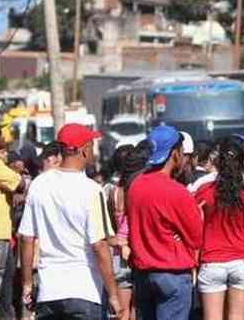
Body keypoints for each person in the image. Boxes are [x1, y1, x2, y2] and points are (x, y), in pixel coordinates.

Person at [18, 124, 123, 320]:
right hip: (85, 291)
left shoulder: (39, 185)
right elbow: (99, 245)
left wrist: (27, 284)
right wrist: (114, 295)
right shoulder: (91, 190)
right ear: (84, 150)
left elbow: (26, 238)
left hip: (49, 292)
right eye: (91, 145)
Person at [127, 126, 203, 320]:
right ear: (175, 154)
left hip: (143, 275)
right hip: (173, 275)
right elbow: (196, 238)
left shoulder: (135, 185)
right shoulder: (177, 191)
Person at [194, 137, 244, 320]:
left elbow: (195, 230)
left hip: (212, 262)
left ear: (217, 161)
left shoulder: (204, 192)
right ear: (242, 162)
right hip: (243, 262)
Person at [0, 134, 22, 320]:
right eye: (3, 151)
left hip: (0, 234)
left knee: (1, 287)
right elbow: (19, 182)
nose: (6, 156)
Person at [104, 144, 137, 320]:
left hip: (115, 255)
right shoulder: (137, 188)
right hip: (137, 253)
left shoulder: (106, 190)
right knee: (134, 310)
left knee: (120, 311)